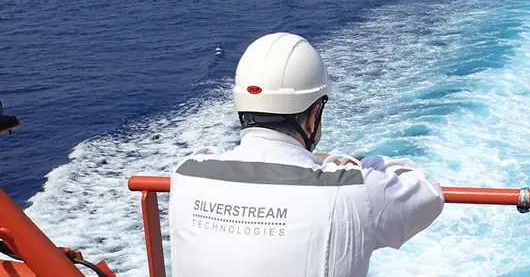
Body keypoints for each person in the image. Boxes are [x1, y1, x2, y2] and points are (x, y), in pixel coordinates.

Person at [168, 32, 445, 277]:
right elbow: (429, 194)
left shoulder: (187, 175)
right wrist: (358, 163)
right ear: (313, 116)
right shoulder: (352, 191)